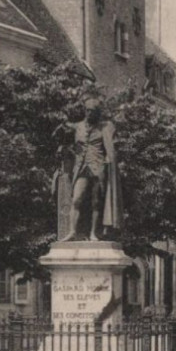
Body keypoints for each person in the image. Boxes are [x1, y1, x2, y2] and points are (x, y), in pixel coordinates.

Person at [62, 97, 122, 242]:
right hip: (81, 167)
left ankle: (94, 233)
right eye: (87, 110)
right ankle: (72, 232)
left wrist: (110, 160)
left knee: (96, 202)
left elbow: (111, 149)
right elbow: (64, 140)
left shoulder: (105, 128)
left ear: (97, 113)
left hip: (98, 167)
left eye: (93, 111)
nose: (89, 114)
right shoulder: (77, 127)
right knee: (77, 199)